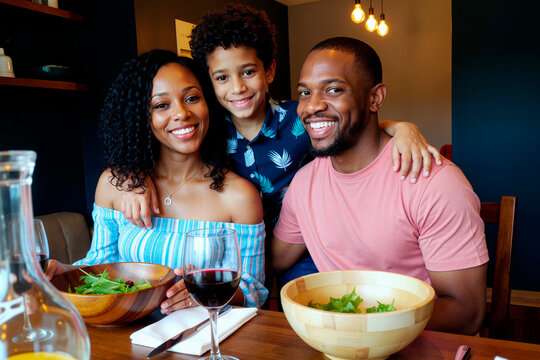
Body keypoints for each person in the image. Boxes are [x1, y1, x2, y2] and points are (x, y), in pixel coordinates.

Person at [120, 5, 443, 291]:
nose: (238, 88)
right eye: (222, 78)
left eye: (248, 72)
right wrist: (135, 177)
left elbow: (352, 129)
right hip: (236, 248)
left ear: (269, 70)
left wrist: (403, 128)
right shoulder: (206, 127)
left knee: (313, 307)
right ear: (210, 82)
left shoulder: (300, 118)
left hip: (301, 249)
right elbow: (164, 150)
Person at [272, 37, 489, 335]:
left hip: (424, 349)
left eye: (333, 89)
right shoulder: (304, 182)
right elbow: (275, 260)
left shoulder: (434, 182)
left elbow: (466, 313)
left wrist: (359, 330)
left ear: (375, 98)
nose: (313, 106)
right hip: (337, 347)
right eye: (305, 92)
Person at [45, 49, 268, 311]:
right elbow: (101, 265)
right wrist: (65, 271)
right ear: (141, 117)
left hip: (204, 336)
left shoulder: (238, 196)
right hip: (127, 334)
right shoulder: (115, 184)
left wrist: (204, 291)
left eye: (192, 98)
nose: (182, 113)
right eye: (162, 105)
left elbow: (254, 290)